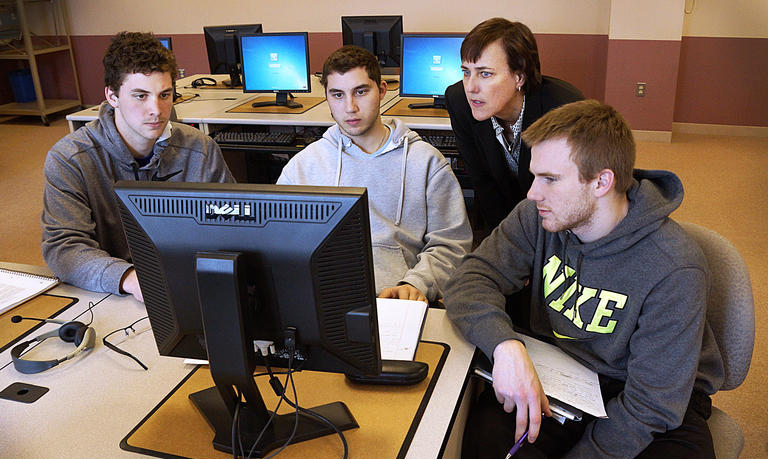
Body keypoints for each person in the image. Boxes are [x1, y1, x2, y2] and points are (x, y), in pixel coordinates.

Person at [444, 100, 724, 459]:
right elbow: (469, 279)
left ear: (601, 182)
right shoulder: (536, 216)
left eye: (550, 179)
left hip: (647, 394)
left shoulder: (674, 266)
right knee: (486, 448)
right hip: (564, 379)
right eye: (535, 174)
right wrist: (505, 346)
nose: (532, 192)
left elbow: (651, 406)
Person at [42, 32, 233, 301]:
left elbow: (233, 228)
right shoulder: (71, 159)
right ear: (112, 96)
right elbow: (64, 248)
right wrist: (130, 280)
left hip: (192, 288)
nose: (156, 109)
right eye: (140, 96)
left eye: (165, 95)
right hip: (114, 293)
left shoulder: (200, 149)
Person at [278, 46, 472, 303]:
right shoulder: (302, 167)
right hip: (325, 297)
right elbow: (281, 245)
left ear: (381, 90)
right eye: (337, 94)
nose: (350, 107)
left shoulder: (426, 162)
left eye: (361, 91)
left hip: (398, 298)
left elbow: (451, 244)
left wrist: (416, 284)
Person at [445, 18, 584, 234]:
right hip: (500, 219)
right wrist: (507, 240)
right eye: (466, 72)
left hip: (557, 222)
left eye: (485, 74)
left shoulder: (563, 107)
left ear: (519, 76)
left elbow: (566, 190)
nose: (471, 87)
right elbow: (482, 180)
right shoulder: (458, 100)